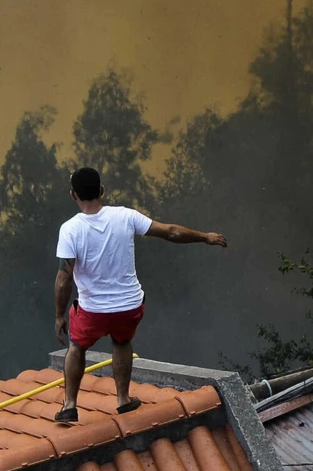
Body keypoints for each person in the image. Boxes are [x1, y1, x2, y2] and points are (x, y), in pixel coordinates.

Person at [53, 167, 227, 422]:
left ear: (73, 195)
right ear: (102, 191)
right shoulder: (125, 216)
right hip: (129, 307)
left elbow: (64, 278)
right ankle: (123, 399)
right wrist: (205, 237)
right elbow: (170, 231)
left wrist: (59, 315)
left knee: (77, 347)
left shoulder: (70, 230)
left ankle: (69, 405)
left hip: (92, 312)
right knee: (121, 342)